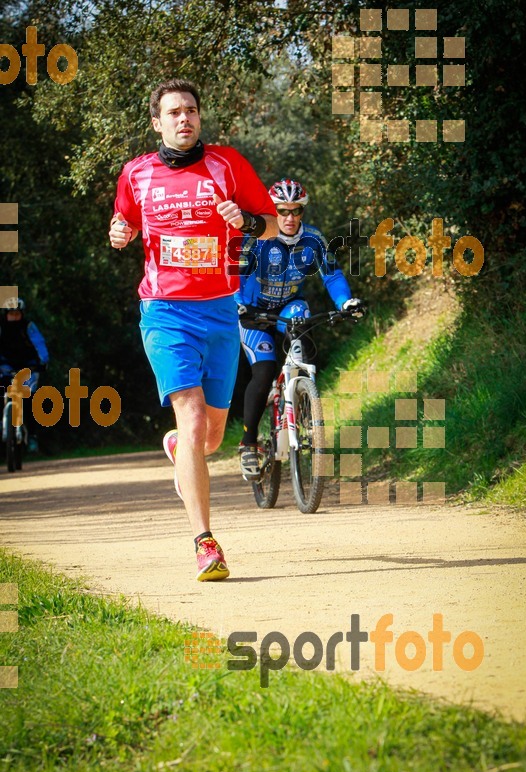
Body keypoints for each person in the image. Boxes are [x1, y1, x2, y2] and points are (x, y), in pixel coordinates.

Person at [109, 78, 277, 582]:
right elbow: (124, 223)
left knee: (211, 435)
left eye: (192, 111)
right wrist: (119, 232)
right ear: (157, 122)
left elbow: (270, 223)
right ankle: (206, 543)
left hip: (221, 311)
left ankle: (182, 451)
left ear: (200, 118)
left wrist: (245, 220)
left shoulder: (228, 165)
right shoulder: (136, 174)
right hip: (165, 312)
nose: (185, 119)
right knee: (192, 416)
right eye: (174, 112)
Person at [235, 178, 364, 481]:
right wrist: (239, 304)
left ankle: (302, 397)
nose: (290, 218)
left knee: (303, 345)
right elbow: (235, 275)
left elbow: (331, 275)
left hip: (289, 306)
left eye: (296, 211)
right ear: (272, 210)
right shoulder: (256, 238)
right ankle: (249, 442)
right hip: (255, 312)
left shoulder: (314, 240)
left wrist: (346, 302)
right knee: (264, 372)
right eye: (282, 211)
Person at [0, 296, 49, 454]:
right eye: (11, 314)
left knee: (29, 398)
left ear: (22, 314)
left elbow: (39, 344)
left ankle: (32, 435)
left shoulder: (29, 327)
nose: (14, 317)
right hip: (5, 366)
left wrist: (42, 361)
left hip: (29, 366)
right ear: (5, 314)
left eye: (17, 313)